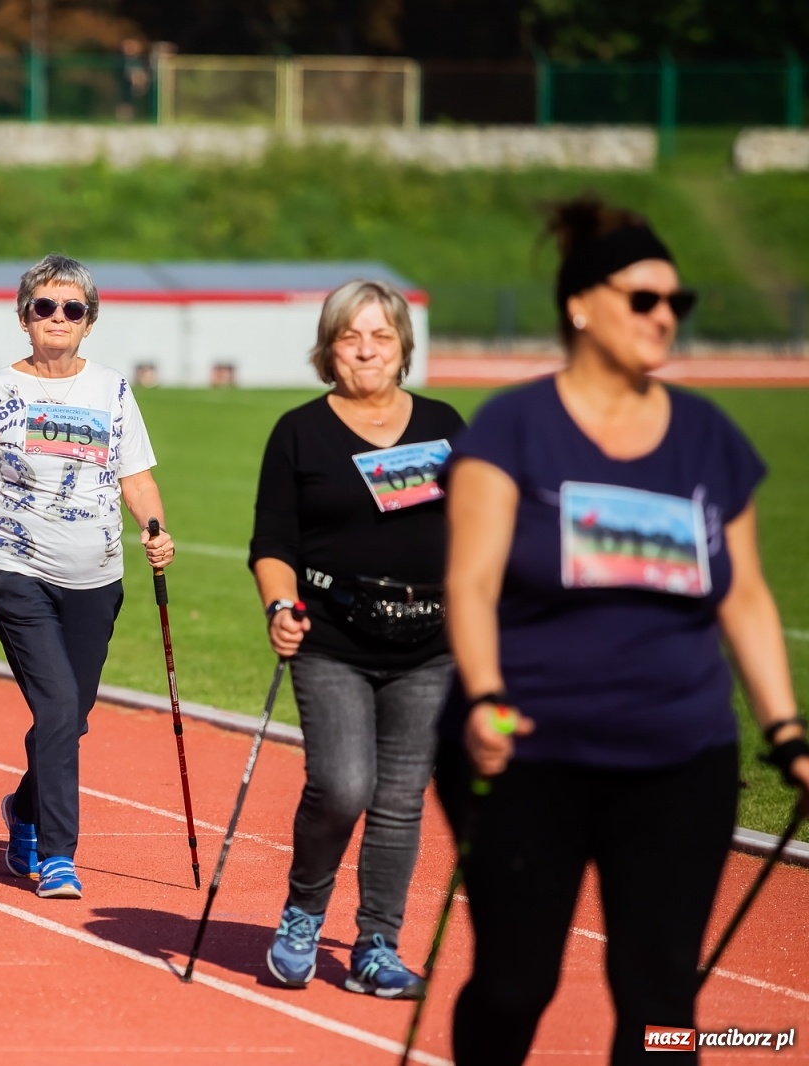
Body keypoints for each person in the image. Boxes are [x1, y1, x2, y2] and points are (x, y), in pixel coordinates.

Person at [439, 195, 809, 1064]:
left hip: (680, 759)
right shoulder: (514, 427)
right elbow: (472, 578)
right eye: (644, 299)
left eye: (677, 303)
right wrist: (485, 697)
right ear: (580, 303)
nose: (664, 318)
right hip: (528, 752)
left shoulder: (708, 441)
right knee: (516, 981)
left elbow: (745, 595)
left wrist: (788, 732)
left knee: (661, 1001)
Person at [248, 279, 464, 999]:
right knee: (343, 786)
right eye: (350, 336)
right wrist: (280, 602)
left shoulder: (445, 425)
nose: (366, 350)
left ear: (403, 346)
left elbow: (480, 530)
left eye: (381, 336)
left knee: (401, 800)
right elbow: (272, 542)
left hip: (431, 646)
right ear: (328, 348)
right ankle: (303, 914)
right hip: (331, 636)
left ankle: (377, 944)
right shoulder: (300, 432)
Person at [0, 253, 173, 901]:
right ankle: (57, 852)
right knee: (58, 707)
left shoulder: (112, 390)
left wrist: (155, 527)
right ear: (24, 318)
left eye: (72, 309)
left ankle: (21, 809)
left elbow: (138, 479)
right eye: (44, 307)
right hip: (17, 573)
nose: (58, 319)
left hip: (97, 578)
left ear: (89, 322)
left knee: (71, 718)